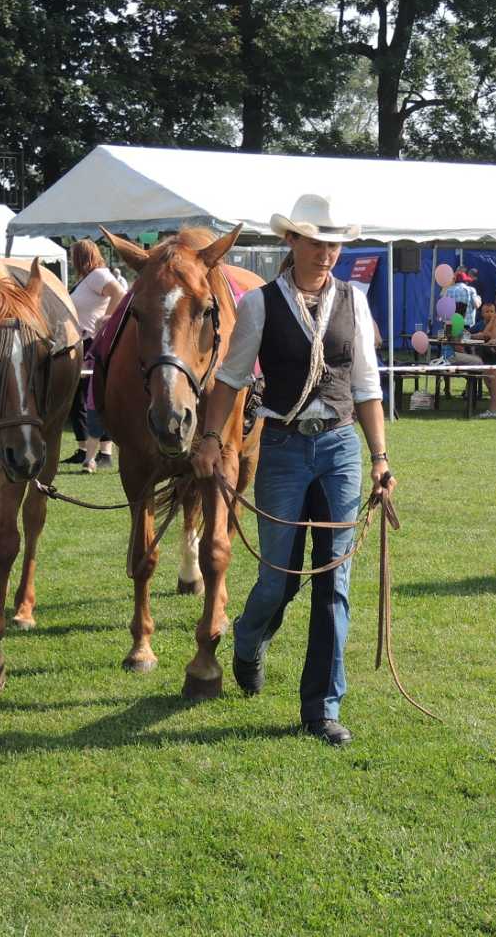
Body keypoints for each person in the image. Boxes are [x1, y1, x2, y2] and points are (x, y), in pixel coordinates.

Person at [191, 193, 394, 748]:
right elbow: (231, 379)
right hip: (280, 447)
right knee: (276, 578)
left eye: (333, 244)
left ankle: (322, 707)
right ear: (292, 243)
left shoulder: (354, 300)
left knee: (335, 581)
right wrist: (210, 438)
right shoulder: (259, 303)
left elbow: (368, 388)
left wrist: (379, 457)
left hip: (339, 451)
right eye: (316, 242)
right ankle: (248, 641)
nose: (326, 253)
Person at [66, 238, 127, 472]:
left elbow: (119, 293)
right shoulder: (88, 279)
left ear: (81, 257)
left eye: (74, 256)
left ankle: (98, 452)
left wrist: (107, 319)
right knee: (87, 396)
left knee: (86, 397)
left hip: (91, 342)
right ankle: (97, 451)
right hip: (83, 340)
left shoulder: (98, 276)